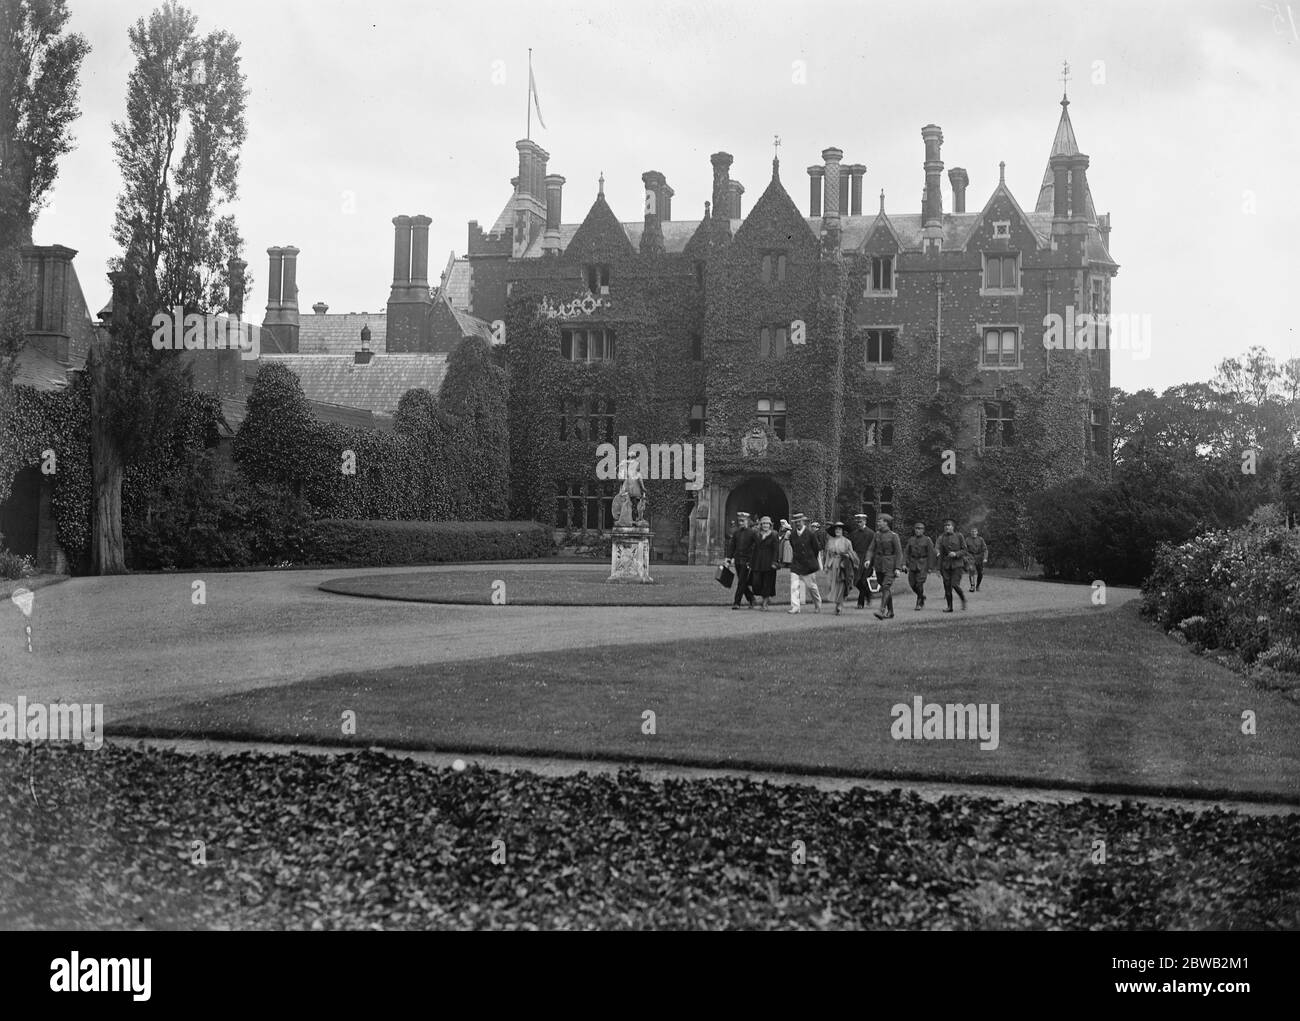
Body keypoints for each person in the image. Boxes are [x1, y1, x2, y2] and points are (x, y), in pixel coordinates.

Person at [866, 514, 904, 620]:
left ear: (886, 523)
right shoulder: (876, 535)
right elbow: (871, 549)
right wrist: (868, 560)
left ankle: (881, 610)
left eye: (880, 521)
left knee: (886, 586)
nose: (878, 523)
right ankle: (890, 611)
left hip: (889, 566)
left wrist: (897, 568)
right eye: (878, 521)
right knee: (883, 587)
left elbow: (899, 553)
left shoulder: (893, 536)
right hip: (878, 565)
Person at [787, 512, 824, 614]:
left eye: (799, 521)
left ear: (803, 521)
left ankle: (817, 604)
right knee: (794, 585)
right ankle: (795, 607)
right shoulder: (793, 534)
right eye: (796, 522)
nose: (798, 524)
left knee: (811, 586)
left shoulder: (810, 534)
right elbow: (793, 546)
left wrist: (811, 559)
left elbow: (816, 548)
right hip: (796, 563)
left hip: (808, 564)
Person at [822, 522, 860, 615]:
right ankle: (837, 604)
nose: (837, 531)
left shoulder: (847, 542)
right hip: (832, 565)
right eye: (836, 529)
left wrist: (846, 555)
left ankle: (839, 605)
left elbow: (852, 554)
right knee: (832, 585)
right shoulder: (830, 541)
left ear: (843, 531)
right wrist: (826, 566)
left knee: (841, 585)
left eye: (839, 529)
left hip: (843, 566)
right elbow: (827, 555)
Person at [726, 511, 758, 610]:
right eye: (739, 521)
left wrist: (753, 559)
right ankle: (751, 598)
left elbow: (757, 546)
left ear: (747, 521)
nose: (740, 523)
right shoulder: (736, 533)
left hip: (747, 561)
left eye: (742, 521)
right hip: (738, 561)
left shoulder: (752, 533)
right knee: (742, 581)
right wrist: (728, 559)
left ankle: (737, 602)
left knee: (741, 582)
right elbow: (732, 547)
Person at [935, 518, 968, 612]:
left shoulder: (959, 536)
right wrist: (938, 568)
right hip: (945, 566)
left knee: (955, 584)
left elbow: (965, 550)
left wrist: (956, 554)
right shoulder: (942, 538)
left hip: (957, 565)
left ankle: (963, 599)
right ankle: (950, 607)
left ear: (953, 527)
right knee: (947, 586)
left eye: (949, 526)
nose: (946, 527)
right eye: (945, 526)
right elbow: (940, 555)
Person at [904, 520, 937, 610]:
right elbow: (906, 552)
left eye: (920, 529)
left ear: (923, 530)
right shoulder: (911, 540)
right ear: (914, 530)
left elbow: (931, 553)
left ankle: (919, 602)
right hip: (913, 563)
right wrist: (904, 564)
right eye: (916, 529)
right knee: (912, 584)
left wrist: (930, 567)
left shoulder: (927, 540)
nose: (918, 530)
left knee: (919, 583)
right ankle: (921, 596)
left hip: (923, 563)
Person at [750, 516, 780, 610]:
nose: (765, 525)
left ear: (770, 525)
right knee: (756, 582)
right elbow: (752, 547)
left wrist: (774, 562)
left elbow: (776, 550)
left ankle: (765, 603)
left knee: (767, 583)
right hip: (758, 562)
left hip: (769, 562)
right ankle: (763, 598)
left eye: (767, 523)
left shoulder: (774, 534)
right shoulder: (756, 534)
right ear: (761, 525)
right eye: (764, 523)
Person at [851, 513, 875, 608]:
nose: (859, 523)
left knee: (864, 580)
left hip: (867, 560)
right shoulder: (854, 534)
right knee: (856, 581)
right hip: (857, 559)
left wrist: (872, 561)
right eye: (857, 522)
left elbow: (873, 548)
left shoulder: (871, 533)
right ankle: (868, 594)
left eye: (860, 521)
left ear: (865, 521)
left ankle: (860, 603)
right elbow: (851, 547)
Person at [966, 527, 988, 592]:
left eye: (975, 531)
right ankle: (972, 586)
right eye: (972, 531)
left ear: (977, 532)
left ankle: (978, 586)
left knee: (980, 573)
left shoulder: (981, 539)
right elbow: (964, 549)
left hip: (979, 557)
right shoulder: (967, 540)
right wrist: (966, 556)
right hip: (971, 557)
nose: (973, 533)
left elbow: (985, 549)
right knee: (971, 570)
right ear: (970, 532)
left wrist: (985, 558)